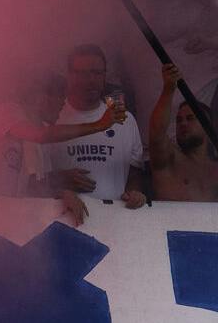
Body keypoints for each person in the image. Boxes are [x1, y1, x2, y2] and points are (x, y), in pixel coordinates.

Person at [0, 73, 127, 197]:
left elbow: (35, 186)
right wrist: (99, 125)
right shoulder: (6, 112)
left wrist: (62, 183)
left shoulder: (41, 135)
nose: (63, 104)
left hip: (0, 219)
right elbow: (39, 135)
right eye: (60, 96)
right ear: (39, 97)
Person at [41, 43, 148, 208]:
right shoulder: (53, 117)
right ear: (69, 76)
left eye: (96, 73)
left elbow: (134, 173)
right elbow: (31, 179)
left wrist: (135, 194)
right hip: (63, 216)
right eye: (82, 73)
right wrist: (59, 179)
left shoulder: (125, 120)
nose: (90, 80)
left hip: (114, 218)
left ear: (105, 75)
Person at [150, 63, 218, 202]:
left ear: (207, 125)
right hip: (171, 217)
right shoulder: (170, 159)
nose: (183, 124)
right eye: (179, 120)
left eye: (190, 118)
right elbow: (157, 133)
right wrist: (168, 89)